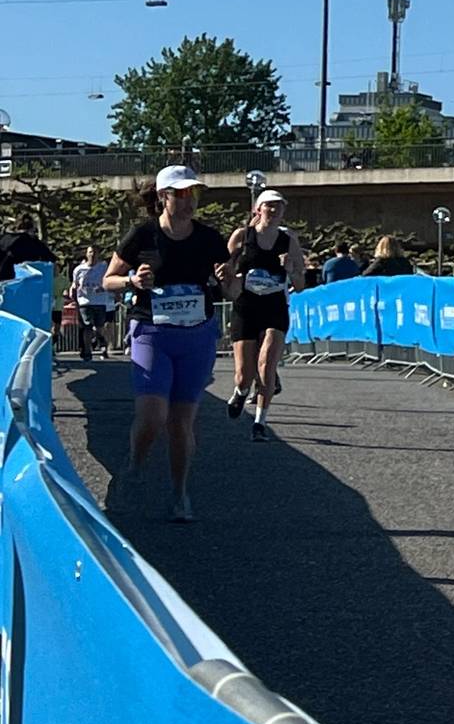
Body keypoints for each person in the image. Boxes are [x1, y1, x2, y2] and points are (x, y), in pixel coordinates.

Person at [104, 166, 229, 522]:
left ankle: (180, 493)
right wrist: (131, 279)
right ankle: (134, 467)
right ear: (163, 197)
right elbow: (108, 280)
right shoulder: (142, 234)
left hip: (197, 335)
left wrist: (227, 279)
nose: (189, 201)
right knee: (152, 417)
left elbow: (231, 289)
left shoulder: (208, 238)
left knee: (180, 423)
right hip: (152, 332)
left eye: (194, 194)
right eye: (182, 194)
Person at [225, 189, 309, 441]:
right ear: (257, 210)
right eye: (269, 207)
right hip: (246, 305)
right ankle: (241, 392)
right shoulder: (243, 236)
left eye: (278, 207)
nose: (273, 212)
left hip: (275, 307)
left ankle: (260, 422)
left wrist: (291, 269)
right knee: (244, 373)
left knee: (267, 365)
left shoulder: (288, 240)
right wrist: (228, 276)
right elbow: (223, 268)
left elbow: (301, 283)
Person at [71, 248, 117, 359]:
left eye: (95, 252)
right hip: (84, 301)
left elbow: (110, 281)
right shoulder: (79, 269)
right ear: (86, 254)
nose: (93, 254)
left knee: (99, 327)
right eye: (91, 252)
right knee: (87, 326)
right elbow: (75, 284)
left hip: (100, 301)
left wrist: (105, 288)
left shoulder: (103, 267)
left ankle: (101, 340)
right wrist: (73, 293)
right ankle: (87, 351)